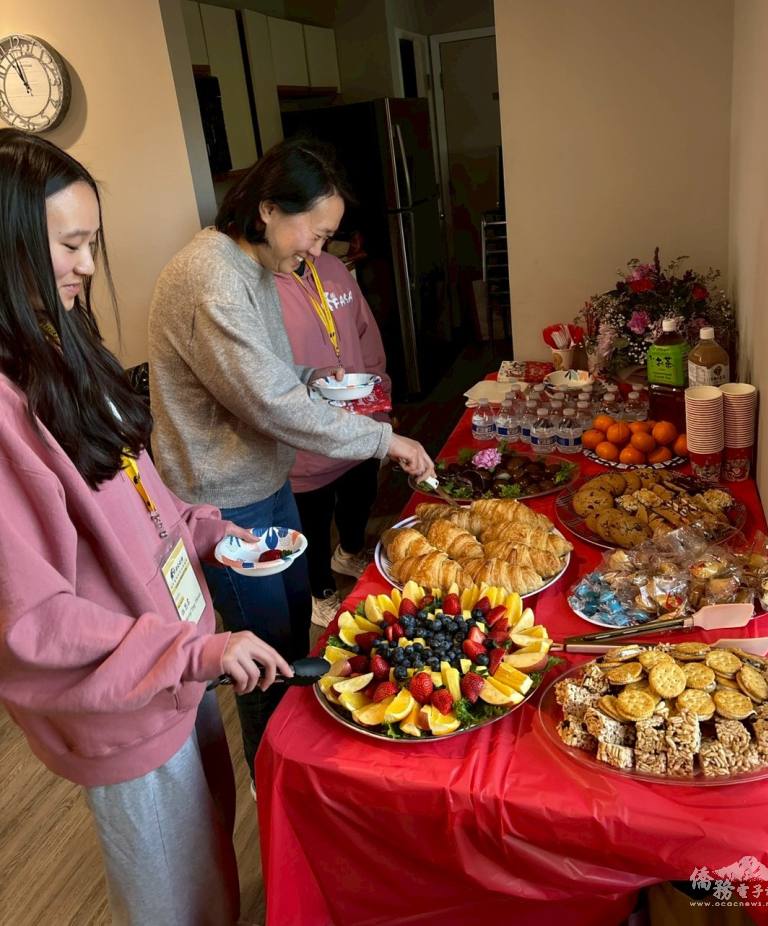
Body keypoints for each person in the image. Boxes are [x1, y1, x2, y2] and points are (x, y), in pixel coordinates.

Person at [0, 128, 292, 926]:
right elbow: (32, 622)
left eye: (90, 243)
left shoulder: (63, 345)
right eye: (69, 245)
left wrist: (206, 532)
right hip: (129, 695)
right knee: (173, 901)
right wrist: (193, 651)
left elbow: (139, 492)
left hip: (175, 666)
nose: (87, 265)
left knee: (208, 867)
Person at [148, 137, 434, 780]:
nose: (320, 251)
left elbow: (267, 377)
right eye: (318, 233)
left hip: (263, 480)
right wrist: (384, 440)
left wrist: (313, 377)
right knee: (265, 656)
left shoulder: (252, 267)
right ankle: (274, 783)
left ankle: (291, 772)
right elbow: (267, 402)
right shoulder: (211, 278)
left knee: (290, 629)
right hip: (224, 499)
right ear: (270, 209)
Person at [275, 248, 389, 635]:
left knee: (362, 493)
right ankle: (319, 590)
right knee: (313, 519)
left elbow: (366, 335)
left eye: (325, 235)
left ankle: (350, 551)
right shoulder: (261, 281)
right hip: (307, 435)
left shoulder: (332, 267)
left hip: (358, 418)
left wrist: (380, 400)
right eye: (316, 231)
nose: (317, 246)